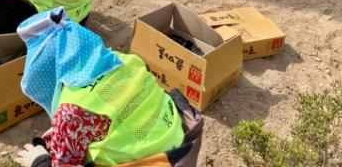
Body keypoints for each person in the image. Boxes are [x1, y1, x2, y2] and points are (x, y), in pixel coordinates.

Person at [12, 9, 202, 167]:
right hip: (180, 145)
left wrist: (38, 160)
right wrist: (66, 129)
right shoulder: (124, 60)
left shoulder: (71, 111)